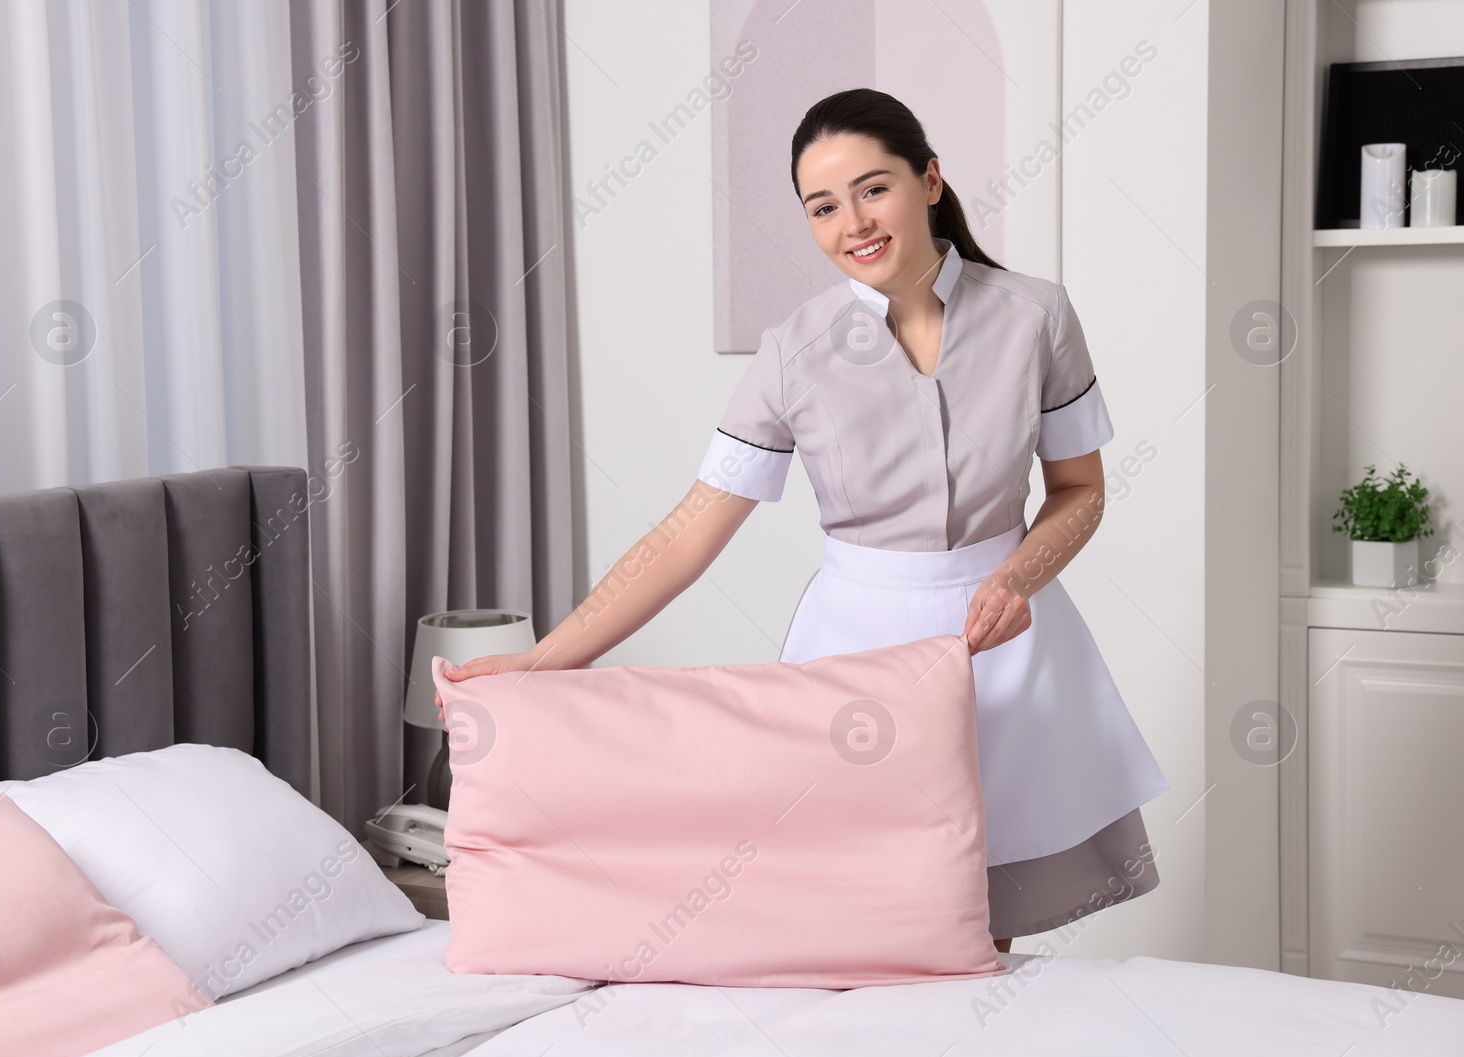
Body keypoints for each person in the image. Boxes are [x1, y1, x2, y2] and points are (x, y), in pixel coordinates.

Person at [438, 87, 1170, 953]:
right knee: (857, 923)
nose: (852, 222)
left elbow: (1080, 491)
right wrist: (541, 660)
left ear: (929, 181)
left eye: (873, 188)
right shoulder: (793, 351)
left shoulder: (1036, 316)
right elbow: (686, 535)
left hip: (1010, 654)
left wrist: (1017, 576)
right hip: (852, 668)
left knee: (979, 941)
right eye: (822, 206)